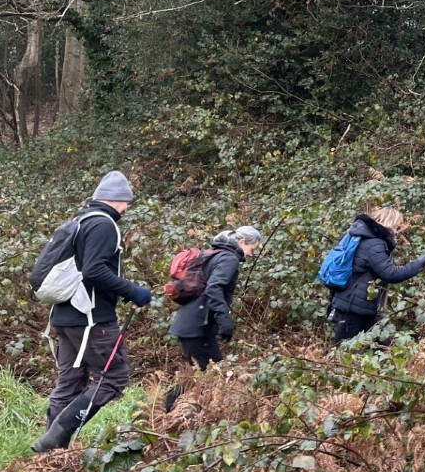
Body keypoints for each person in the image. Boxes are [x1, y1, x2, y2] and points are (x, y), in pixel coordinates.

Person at [33, 170, 153, 454]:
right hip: (92, 320)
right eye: (127, 202)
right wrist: (133, 291)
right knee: (113, 378)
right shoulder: (103, 224)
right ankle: (59, 434)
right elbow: (95, 271)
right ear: (117, 199)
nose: (127, 208)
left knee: (70, 381)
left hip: (64, 317)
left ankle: (51, 453)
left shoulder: (79, 221)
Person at [327, 207, 425, 346]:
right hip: (353, 306)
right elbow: (391, 274)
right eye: (396, 226)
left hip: (359, 305)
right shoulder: (374, 243)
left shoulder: (365, 237)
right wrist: (418, 264)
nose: (397, 231)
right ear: (389, 223)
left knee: (383, 344)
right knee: (342, 349)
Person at [169, 226, 262, 372]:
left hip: (192, 324)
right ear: (242, 242)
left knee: (203, 374)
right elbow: (213, 288)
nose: (251, 254)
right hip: (198, 327)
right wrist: (224, 321)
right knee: (211, 374)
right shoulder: (229, 259)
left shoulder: (216, 254)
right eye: (252, 249)